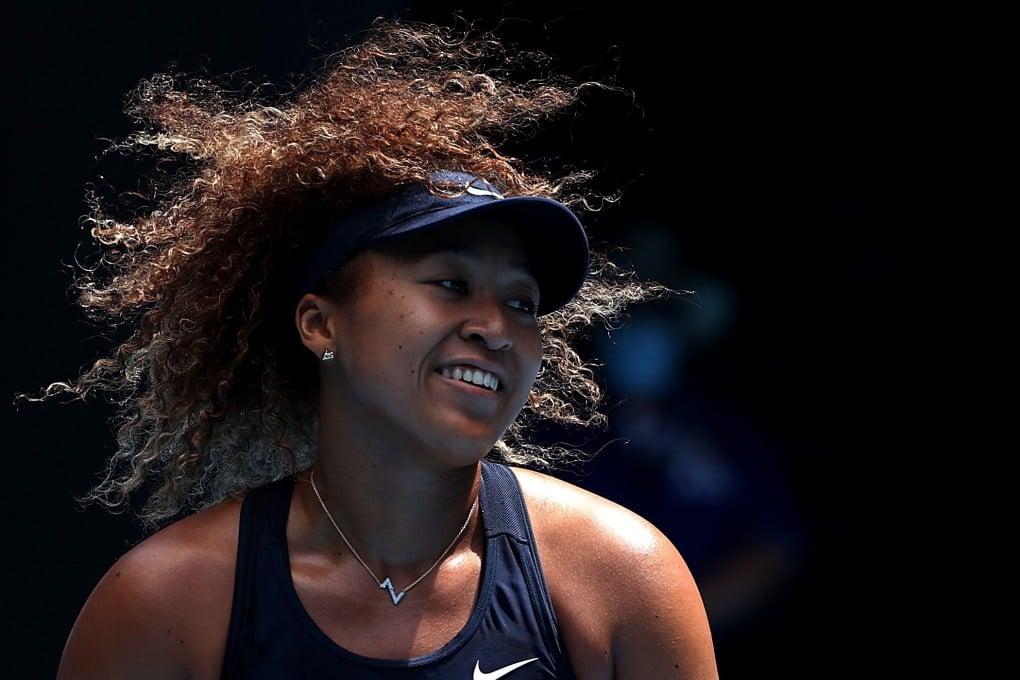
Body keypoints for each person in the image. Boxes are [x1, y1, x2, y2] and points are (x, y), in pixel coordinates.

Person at [30, 17, 719, 679]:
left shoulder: (626, 578)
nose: (497, 327)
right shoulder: (165, 602)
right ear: (320, 324)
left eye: (521, 303)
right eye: (451, 283)